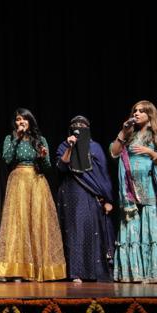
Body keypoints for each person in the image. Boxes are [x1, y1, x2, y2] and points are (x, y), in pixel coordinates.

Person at [109, 100, 157, 283]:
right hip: (129, 188)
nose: (137, 113)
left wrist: (151, 153)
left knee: (151, 227)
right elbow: (114, 153)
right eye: (135, 110)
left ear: (150, 115)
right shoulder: (129, 135)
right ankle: (134, 273)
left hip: (149, 185)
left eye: (141, 111)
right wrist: (123, 131)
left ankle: (155, 272)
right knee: (131, 226)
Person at [0, 108, 66, 281]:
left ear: (30, 121)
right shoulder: (10, 138)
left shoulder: (41, 140)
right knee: (18, 223)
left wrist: (43, 156)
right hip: (18, 181)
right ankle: (16, 269)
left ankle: (39, 269)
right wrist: (17, 138)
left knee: (37, 221)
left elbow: (47, 166)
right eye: (18, 119)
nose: (21, 122)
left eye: (24, 119)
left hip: (36, 181)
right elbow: (7, 159)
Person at [55, 115, 115, 283]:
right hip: (71, 194)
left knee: (91, 232)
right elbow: (61, 166)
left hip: (92, 195)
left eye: (82, 125)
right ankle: (76, 273)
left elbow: (103, 174)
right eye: (75, 125)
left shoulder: (95, 148)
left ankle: (94, 272)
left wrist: (108, 199)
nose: (78, 128)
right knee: (75, 233)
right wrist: (70, 147)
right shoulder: (64, 145)